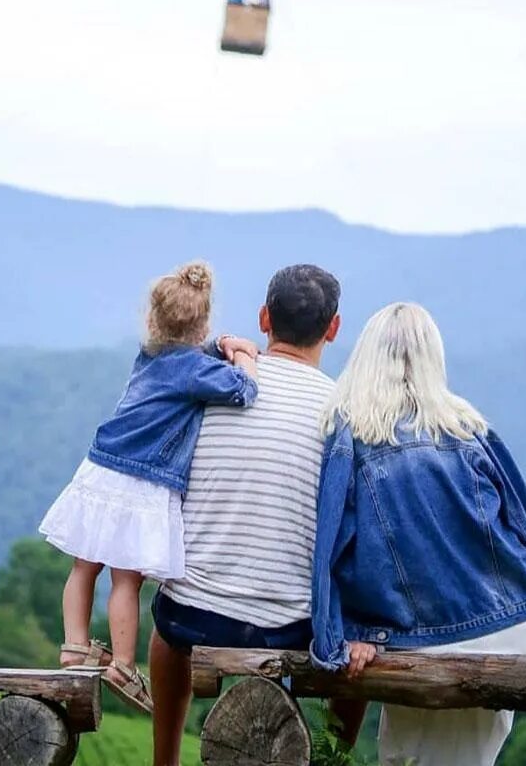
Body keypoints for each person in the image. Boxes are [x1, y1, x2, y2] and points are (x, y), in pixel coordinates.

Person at [311, 302, 526, 766]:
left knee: (409, 753)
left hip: (428, 641)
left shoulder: (352, 435)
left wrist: (336, 640)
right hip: (512, 627)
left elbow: (330, 554)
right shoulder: (469, 427)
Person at [39, 261, 258, 715]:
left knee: (84, 567)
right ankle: (121, 664)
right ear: (204, 323)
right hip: (143, 480)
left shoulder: (149, 354)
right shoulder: (194, 370)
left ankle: (74, 647)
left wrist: (213, 345)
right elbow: (243, 390)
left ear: (152, 319)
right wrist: (244, 355)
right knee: (127, 579)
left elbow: (188, 350)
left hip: (101, 466)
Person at [149, 264, 341, 766]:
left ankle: (164, 759)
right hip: (291, 627)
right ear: (333, 328)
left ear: (263, 319)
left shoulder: (216, 383)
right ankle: (332, 756)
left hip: (192, 619)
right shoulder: (342, 409)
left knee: (165, 624)